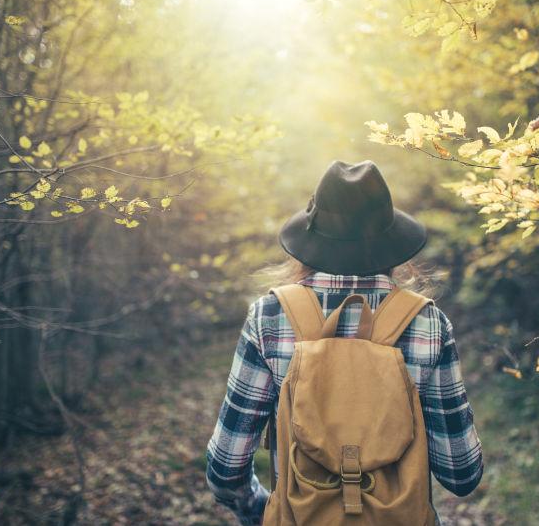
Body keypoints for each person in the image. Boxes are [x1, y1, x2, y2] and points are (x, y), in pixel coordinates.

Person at [206, 160, 483, 525]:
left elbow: (226, 469)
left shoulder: (270, 316)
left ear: (312, 240)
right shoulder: (427, 322)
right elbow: (460, 473)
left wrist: (259, 509)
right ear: (390, 242)